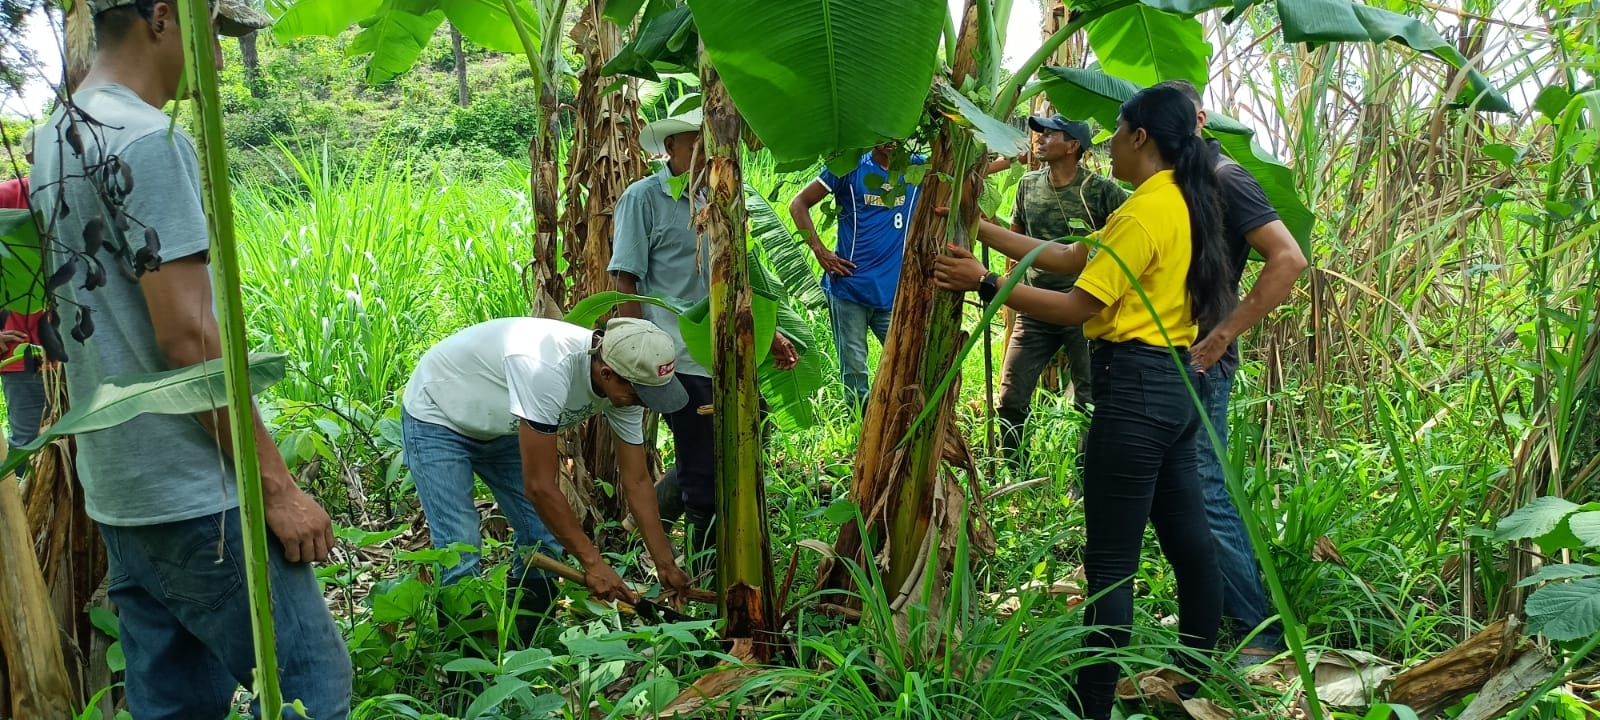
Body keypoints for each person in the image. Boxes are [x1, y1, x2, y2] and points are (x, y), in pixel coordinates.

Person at [28, 1, 353, 718]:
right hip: (198, 493)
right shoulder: (147, 137)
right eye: (209, 30)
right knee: (312, 688)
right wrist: (277, 489)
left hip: (120, 489)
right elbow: (188, 337)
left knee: (175, 704)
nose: (215, 54)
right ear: (160, 16)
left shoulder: (55, 134)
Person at [934, 85, 1232, 719]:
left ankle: (1092, 705)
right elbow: (1072, 256)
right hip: (1177, 386)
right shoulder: (1179, 199)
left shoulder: (1143, 211)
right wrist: (977, 227)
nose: (1111, 143)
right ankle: (1195, 675)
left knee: (1111, 562)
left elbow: (1075, 305)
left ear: (1141, 137)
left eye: (1117, 130)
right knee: (1188, 539)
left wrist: (984, 283)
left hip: (1135, 390)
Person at [401, 316, 693, 624]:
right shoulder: (546, 369)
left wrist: (666, 565)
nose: (644, 404)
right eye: (640, 395)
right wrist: (594, 563)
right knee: (459, 547)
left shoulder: (626, 388)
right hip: (438, 415)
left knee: (540, 537)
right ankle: (463, 653)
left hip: (500, 425)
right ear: (607, 374)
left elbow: (637, 481)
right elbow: (539, 487)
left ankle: (525, 645)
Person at [1156, 79, 1308, 664]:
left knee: (1205, 489)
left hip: (1201, 359)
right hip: (1167, 355)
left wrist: (1223, 333)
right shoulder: (1174, 181)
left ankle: (1259, 632)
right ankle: (1212, 609)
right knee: (1179, 490)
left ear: (1198, 120)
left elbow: (1288, 258)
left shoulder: (1225, 177)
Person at [609, 110, 798, 572]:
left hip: (724, 349)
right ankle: (704, 574)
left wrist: (767, 332)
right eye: (695, 145)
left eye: (710, 146)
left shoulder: (720, 199)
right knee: (703, 473)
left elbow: (732, 277)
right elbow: (625, 278)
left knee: (748, 433)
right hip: (674, 352)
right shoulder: (644, 198)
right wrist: (635, 351)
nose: (704, 156)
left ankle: (642, 524)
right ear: (670, 147)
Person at [995, 115, 1127, 463]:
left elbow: (1128, 239)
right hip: (1035, 308)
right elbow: (1016, 239)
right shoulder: (1027, 185)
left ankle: (1084, 478)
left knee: (1089, 399)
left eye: (1050, 134)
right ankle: (1014, 472)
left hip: (1084, 310)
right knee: (1010, 398)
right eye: (1039, 133)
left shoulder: (1100, 191)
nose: (1039, 138)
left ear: (1073, 146)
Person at [788, 142, 922, 410]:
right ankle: (859, 425)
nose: (890, 140)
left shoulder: (917, 168)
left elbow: (962, 173)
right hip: (850, 288)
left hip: (892, 291)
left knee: (907, 361)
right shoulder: (850, 167)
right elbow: (798, 204)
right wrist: (820, 251)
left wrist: (1008, 159)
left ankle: (898, 420)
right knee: (855, 372)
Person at [0, 126, 50, 457]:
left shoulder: (84, 196)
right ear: (30, 157)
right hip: (23, 353)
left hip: (83, 356)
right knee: (28, 447)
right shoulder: (8, 196)